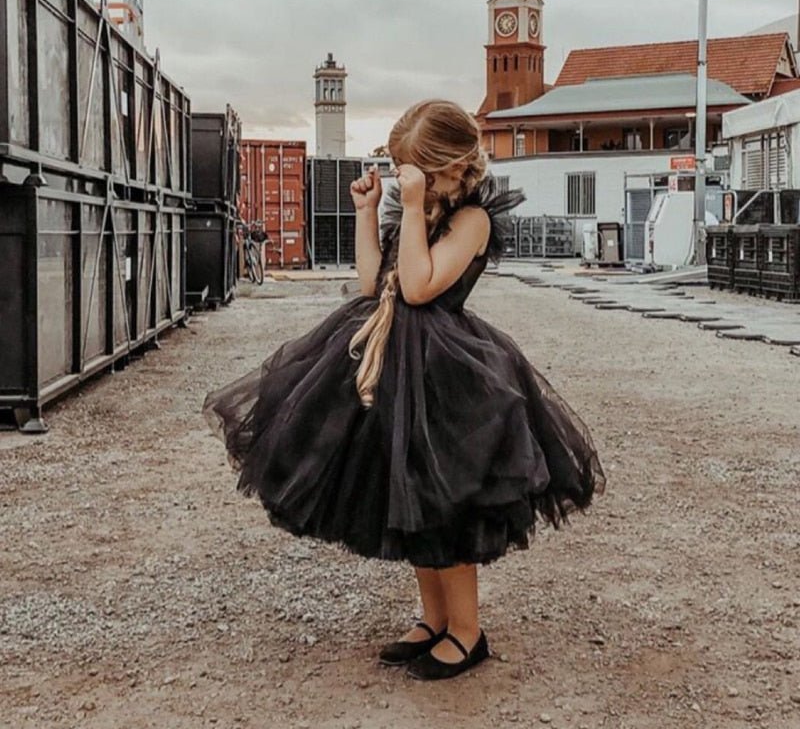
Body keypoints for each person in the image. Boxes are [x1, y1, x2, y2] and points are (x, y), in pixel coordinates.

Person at [203, 99, 605, 681]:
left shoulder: (472, 221)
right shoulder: (417, 210)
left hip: (444, 373)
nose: (405, 179)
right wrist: (370, 212)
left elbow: (418, 287)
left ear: (452, 167)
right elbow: (375, 282)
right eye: (400, 169)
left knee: (448, 502)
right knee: (407, 495)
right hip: (393, 362)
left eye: (417, 169)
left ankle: (466, 630)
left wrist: (413, 207)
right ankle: (432, 618)